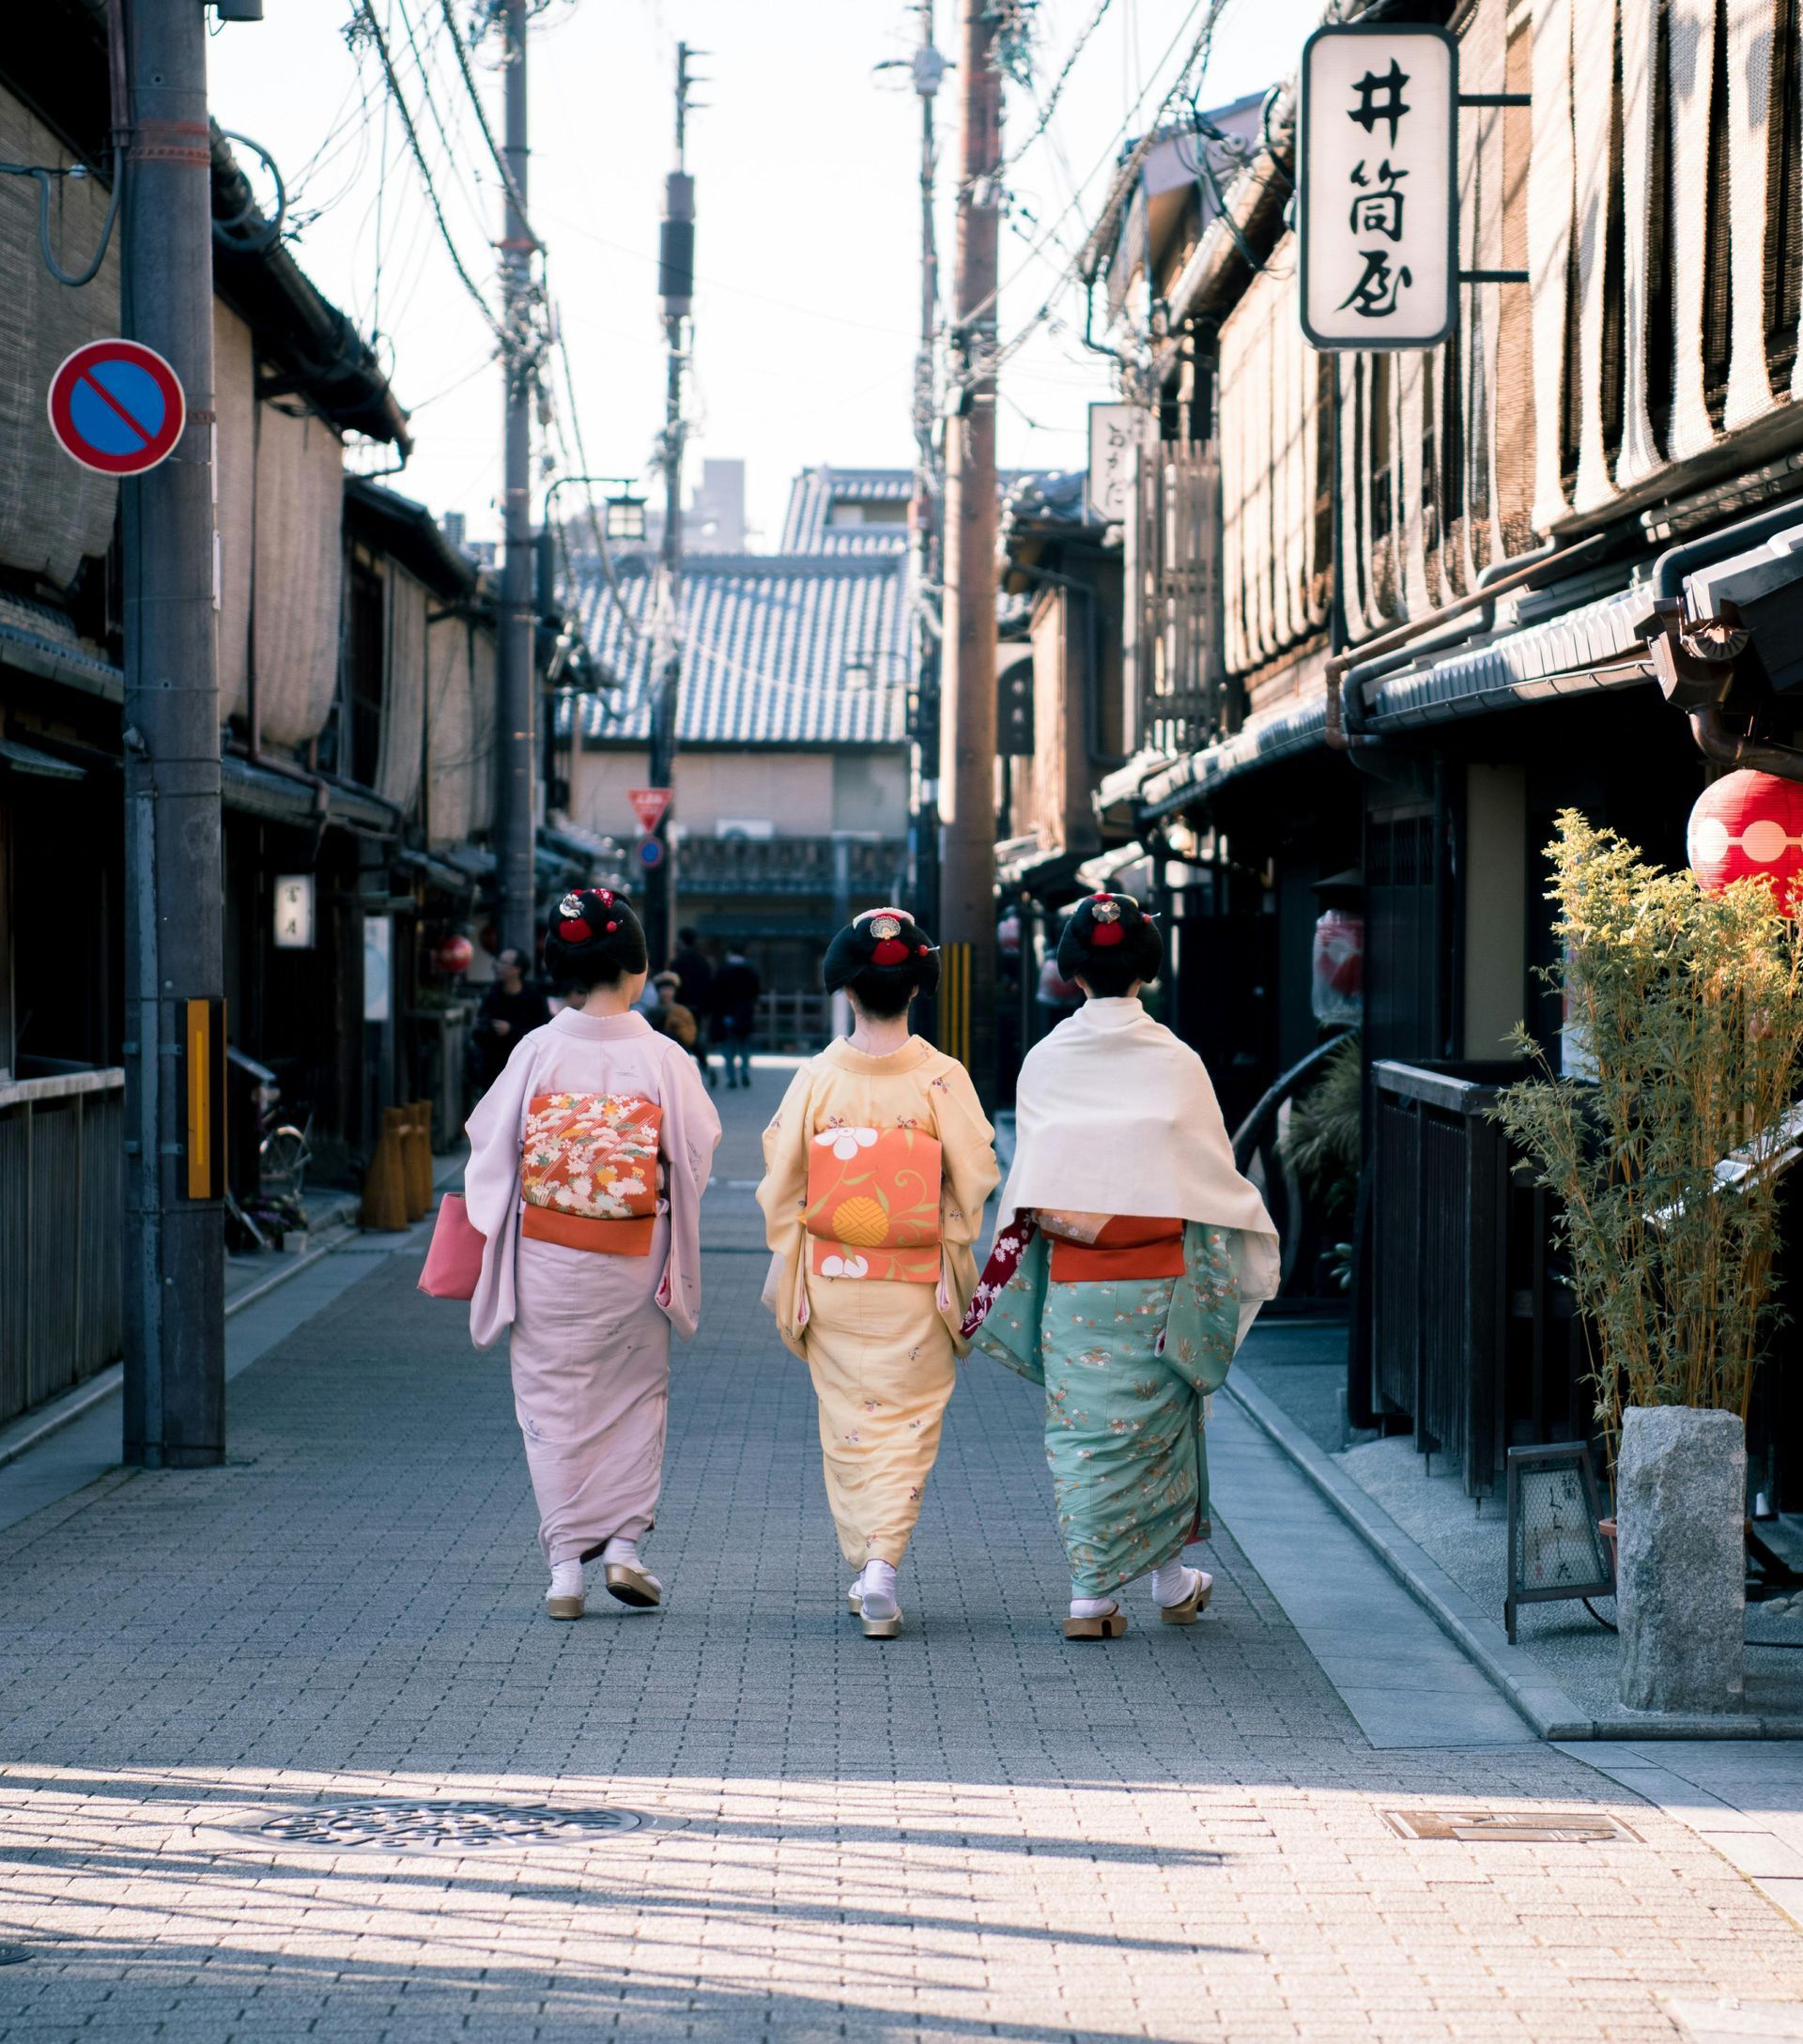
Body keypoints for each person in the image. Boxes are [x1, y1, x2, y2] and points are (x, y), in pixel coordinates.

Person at [963, 892, 1279, 1642]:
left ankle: (1099, 1592)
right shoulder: (1176, 1062)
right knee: (1168, 1427)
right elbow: (1212, 1178)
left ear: (1072, 972)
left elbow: (1032, 1182)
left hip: (1077, 1286)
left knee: (1084, 1434)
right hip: (1163, 1282)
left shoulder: (1045, 1062)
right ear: (1147, 969)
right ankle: (1155, 1583)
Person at [463, 888, 722, 1621]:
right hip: (632, 1256)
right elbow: (696, 1150)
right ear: (638, 970)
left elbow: (490, 1150)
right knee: (636, 1397)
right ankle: (624, 1550)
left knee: (550, 1403)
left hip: (546, 1254)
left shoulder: (536, 1049)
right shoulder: (663, 1056)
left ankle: (562, 1573)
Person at [757, 907, 999, 1639]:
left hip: (834, 1276)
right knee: (908, 1422)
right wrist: (940, 1229)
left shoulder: (817, 1077)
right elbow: (976, 1173)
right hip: (916, 1276)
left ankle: (870, 1564)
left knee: (848, 1423)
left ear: (849, 993)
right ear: (916, 990)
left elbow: (783, 1181)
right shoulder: (941, 1077)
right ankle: (883, 1565)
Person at [473, 947, 550, 1092]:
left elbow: (543, 1031)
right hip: (493, 1067)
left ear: (517, 969)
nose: (497, 966)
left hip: (523, 1066)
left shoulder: (533, 996)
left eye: (504, 963)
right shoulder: (492, 993)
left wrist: (512, 1030)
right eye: (498, 961)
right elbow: (480, 1028)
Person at [670, 929, 717, 1088]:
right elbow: (709, 985)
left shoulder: (678, 961)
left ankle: (684, 1073)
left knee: (679, 1038)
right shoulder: (702, 961)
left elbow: (673, 984)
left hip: (681, 1005)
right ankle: (704, 1066)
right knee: (693, 1037)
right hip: (698, 1006)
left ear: (682, 941)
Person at [711, 945, 762, 1089]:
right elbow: (756, 991)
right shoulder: (750, 971)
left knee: (728, 1047)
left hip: (726, 1013)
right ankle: (745, 1072)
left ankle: (731, 1077)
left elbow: (716, 993)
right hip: (745, 1013)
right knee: (744, 1045)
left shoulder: (723, 971)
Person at [647, 970, 699, 1050]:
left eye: (670, 989)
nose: (667, 993)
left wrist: (678, 1028)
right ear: (658, 990)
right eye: (664, 989)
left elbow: (690, 1038)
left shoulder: (681, 1011)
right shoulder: (651, 1011)